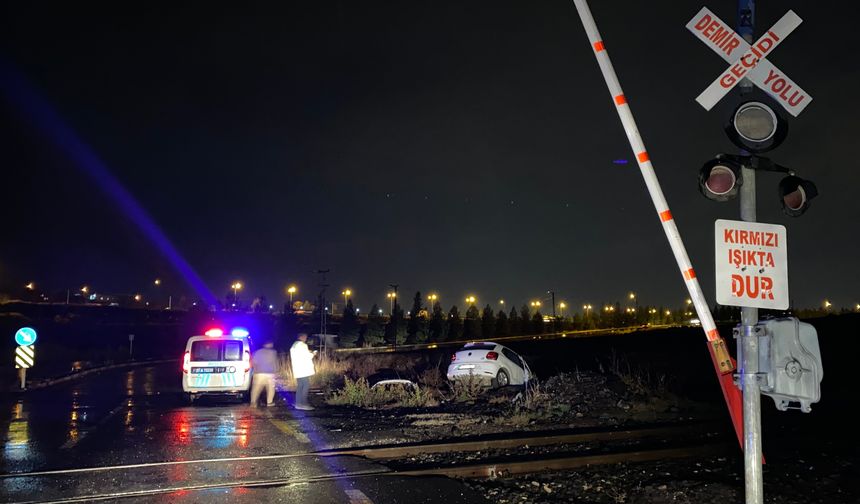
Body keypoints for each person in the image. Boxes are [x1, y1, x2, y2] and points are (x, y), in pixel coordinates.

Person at [290, 333, 317, 410]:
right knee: (306, 385)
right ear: (301, 337)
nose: (306, 339)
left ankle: (298, 403)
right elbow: (307, 357)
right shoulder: (302, 345)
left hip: (297, 369)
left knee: (300, 386)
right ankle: (303, 403)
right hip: (304, 369)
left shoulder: (294, 345)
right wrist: (313, 353)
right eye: (305, 337)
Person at [250, 341, 278, 407]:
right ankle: (269, 402)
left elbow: (253, 362)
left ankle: (253, 403)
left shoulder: (257, 352)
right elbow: (275, 363)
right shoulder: (273, 352)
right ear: (269, 344)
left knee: (256, 389)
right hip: (270, 373)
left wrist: (255, 370)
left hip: (259, 373)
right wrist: (276, 371)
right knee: (271, 389)